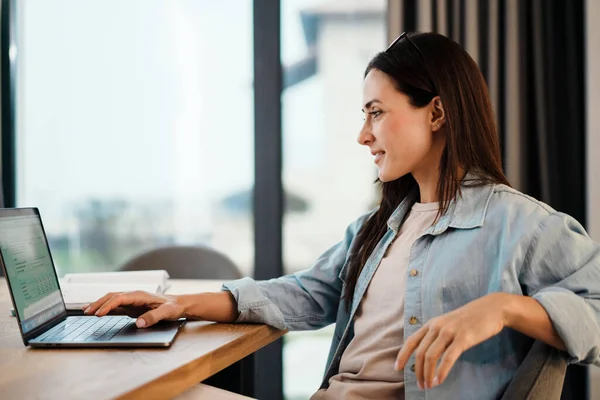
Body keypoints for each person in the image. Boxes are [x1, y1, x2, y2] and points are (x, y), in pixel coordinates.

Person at [83, 32, 600, 399]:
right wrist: (176, 304)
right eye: (363, 115)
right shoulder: (380, 227)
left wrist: (503, 309)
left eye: (376, 112)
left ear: (437, 113)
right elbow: (308, 293)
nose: (363, 135)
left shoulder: (521, 225)